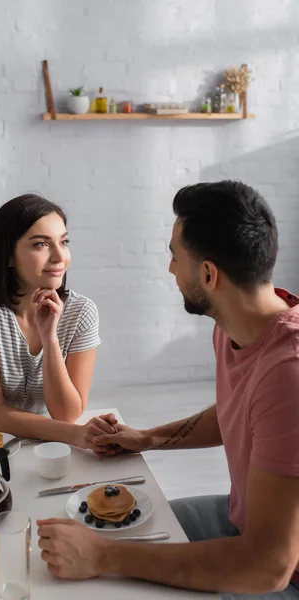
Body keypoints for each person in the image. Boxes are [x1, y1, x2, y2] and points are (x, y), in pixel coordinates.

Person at [38, 181, 299, 599]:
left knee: (109, 567)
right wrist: (147, 437)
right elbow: (238, 413)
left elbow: (267, 567)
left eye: (175, 257)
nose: (170, 269)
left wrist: (103, 556)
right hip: (244, 522)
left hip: (278, 571)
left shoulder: (289, 374)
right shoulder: (239, 325)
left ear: (209, 274)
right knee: (114, 530)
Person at [0, 193, 117, 449]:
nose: (59, 257)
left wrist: (50, 339)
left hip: (44, 436)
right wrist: (73, 435)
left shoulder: (81, 312)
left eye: (64, 242)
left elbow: (66, 414)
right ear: (7, 255)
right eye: (41, 244)